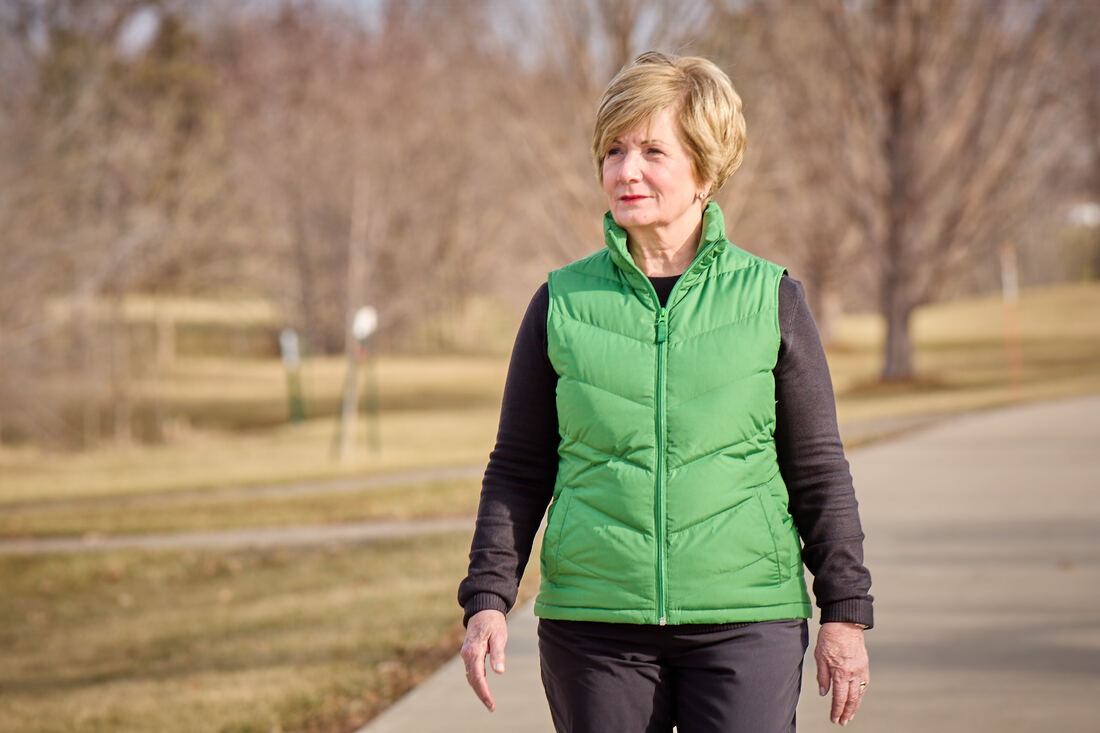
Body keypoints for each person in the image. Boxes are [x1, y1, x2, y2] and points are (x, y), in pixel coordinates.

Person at [458, 51, 872, 732]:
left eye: (653, 150)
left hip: (746, 620)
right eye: (614, 150)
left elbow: (819, 469)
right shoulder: (560, 302)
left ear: (706, 169)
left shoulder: (772, 299)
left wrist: (846, 613)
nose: (626, 170)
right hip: (596, 626)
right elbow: (518, 468)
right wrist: (487, 598)